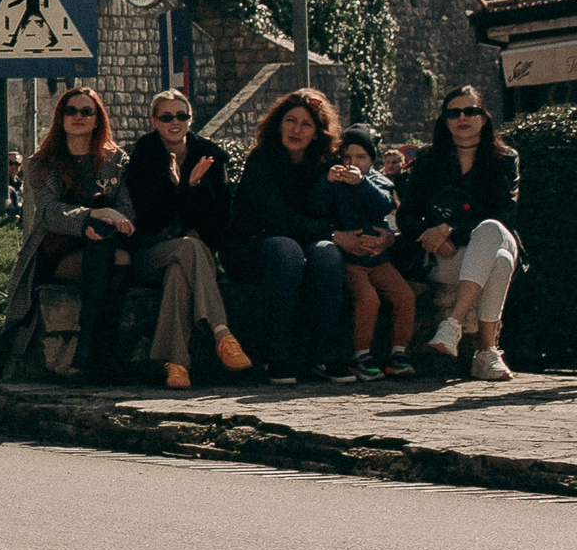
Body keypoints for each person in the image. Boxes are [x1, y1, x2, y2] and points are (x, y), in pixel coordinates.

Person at [122, 89, 253, 389]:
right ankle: (221, 332)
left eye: (181, 115)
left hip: (196, 256)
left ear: (191, 119)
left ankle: (177, 364)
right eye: (166, 116)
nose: (174, 122)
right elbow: (147, 219)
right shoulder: (143, 156)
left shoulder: (209, 156)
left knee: (180, 273)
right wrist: (177, 187)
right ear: (154, 121)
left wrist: (196, 189)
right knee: (188, 247)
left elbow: (221, 222)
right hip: (150, 252)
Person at [4, 87, 135, 380]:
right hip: (57, 248)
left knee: (116, 253)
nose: (78, 117)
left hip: (103, 243)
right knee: (106, 246)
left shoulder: (117, 160)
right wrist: (93, 214)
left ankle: (91, 347)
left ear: (97, 119)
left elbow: (127, 209)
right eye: (71, 111)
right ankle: (97, 350)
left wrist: (110, 220)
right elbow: (50, 212)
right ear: (60, 118)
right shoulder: (42, 162)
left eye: (87, 111)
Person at [226, 87, 348, 384]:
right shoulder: (262, 160)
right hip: (254, 245)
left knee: (327, 253)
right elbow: (275, 218)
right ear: (278, 124)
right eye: (290, 121)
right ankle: (274, 356)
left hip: (304, 245)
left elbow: (334, 211)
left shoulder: (325, 165)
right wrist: (329, 231)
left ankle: (325, 355)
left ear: (317, 133)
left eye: (306, 124)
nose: (296, 129)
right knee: (286, 249)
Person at [400, 86, 520, 380]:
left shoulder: (504, 159)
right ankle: (486, 353)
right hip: (446, 257)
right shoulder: (429, 160)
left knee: (492, 230)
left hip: (485, 242)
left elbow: (506, 215)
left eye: (471, 111)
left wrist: (452, 230)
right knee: (500, 261)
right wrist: (430, 234)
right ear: (444, 120)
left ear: (484, 118)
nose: (462, 117)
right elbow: (406, 216)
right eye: (454, 113)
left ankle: (452, 325)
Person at [311, 127, 412, 382]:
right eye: (347, 157)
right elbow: (316, 207)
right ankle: (361, 355)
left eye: (360, 158)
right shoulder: (334, 182)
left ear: (371, 160)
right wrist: (327, 182)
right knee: (368, 299)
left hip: (378, 259)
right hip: (352, 261)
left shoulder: (377, 181)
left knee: (405, 297)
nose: (352, 164)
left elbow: (384, 203)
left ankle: (398, 353)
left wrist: (362, 182)